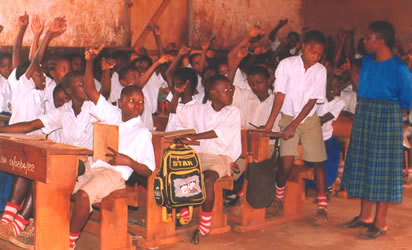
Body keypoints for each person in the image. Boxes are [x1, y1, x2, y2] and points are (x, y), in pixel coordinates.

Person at [66, 47, 155, 249]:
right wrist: (90, 61)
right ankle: (54, 226)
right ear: (121, 103)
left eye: (141, 102)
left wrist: (129, 161)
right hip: (93, 167)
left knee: (82, 196)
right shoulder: (113, 115)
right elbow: (90, 91)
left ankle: (69, 240)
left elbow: (149, 169)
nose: (137, 105)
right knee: (58, 186)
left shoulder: (142, 132)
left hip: (113, 176)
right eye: (132, 101)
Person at [342, 21, 412, 239]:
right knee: (364, 163)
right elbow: (362, 88)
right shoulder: (368, 62)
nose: (365, 40)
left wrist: (395, 120)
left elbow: (406, 99)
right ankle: (364, 216)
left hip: (387, 116)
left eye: (368, 37)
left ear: (380, 40)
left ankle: (380, 223)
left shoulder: (399, 68)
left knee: (383, 169)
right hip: (365, 113)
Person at [264, 30, 329, 224]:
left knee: (318, 162)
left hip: (308, 120)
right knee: (286, 164)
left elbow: (312, 101)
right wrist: (269, 124)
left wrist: (294, 125)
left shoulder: (320, 70)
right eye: (312, 52)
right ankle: (279, 195)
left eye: (319, 54)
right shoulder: (286, 65)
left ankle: (322, 206)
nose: (315, 57)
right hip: (287, 117)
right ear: (303, 46)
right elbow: (280, 95)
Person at [174, 75, 241, 241]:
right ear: (213, 93)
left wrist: (193, 137)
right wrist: (176, 94)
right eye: (226, 89)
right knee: (178, 170)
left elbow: (217, 132)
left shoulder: (233, 112)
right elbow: (176, 111)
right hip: (197, 156)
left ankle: (205, 223)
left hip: (220, 158)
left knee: (207, 180)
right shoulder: (199, 109)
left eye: (231, 88)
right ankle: (186, 207)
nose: (231, 91)